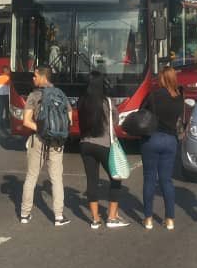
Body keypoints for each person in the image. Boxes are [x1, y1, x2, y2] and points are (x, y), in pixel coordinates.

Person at [19, 66, 72, 226]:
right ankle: (58, 216)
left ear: (43, 77)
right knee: (56, 179)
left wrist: (41, 129)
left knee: (31, 176)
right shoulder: (61, 95)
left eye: (35, 76)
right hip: (57, 142)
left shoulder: (34, 95)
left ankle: (25, 214)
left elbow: (26, 121)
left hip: (39, 140)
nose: (33, 79)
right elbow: (69, 119)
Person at [77, 74, 127, 230]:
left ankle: (95, 219)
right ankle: (112, 217)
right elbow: (116, 121)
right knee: (116, 178)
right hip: (104, 144)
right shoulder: (107, 102)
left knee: (92, 181)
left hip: (85, 144)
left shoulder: (81, 102)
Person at [140, 66, 185, 230]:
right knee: (166, 180)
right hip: (170, 141)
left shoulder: (154, 96)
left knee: (149, 179)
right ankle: (170, 218)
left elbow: (141, 113)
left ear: (162, 78)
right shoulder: (179, 98)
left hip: (152, 139)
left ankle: (148, 218)